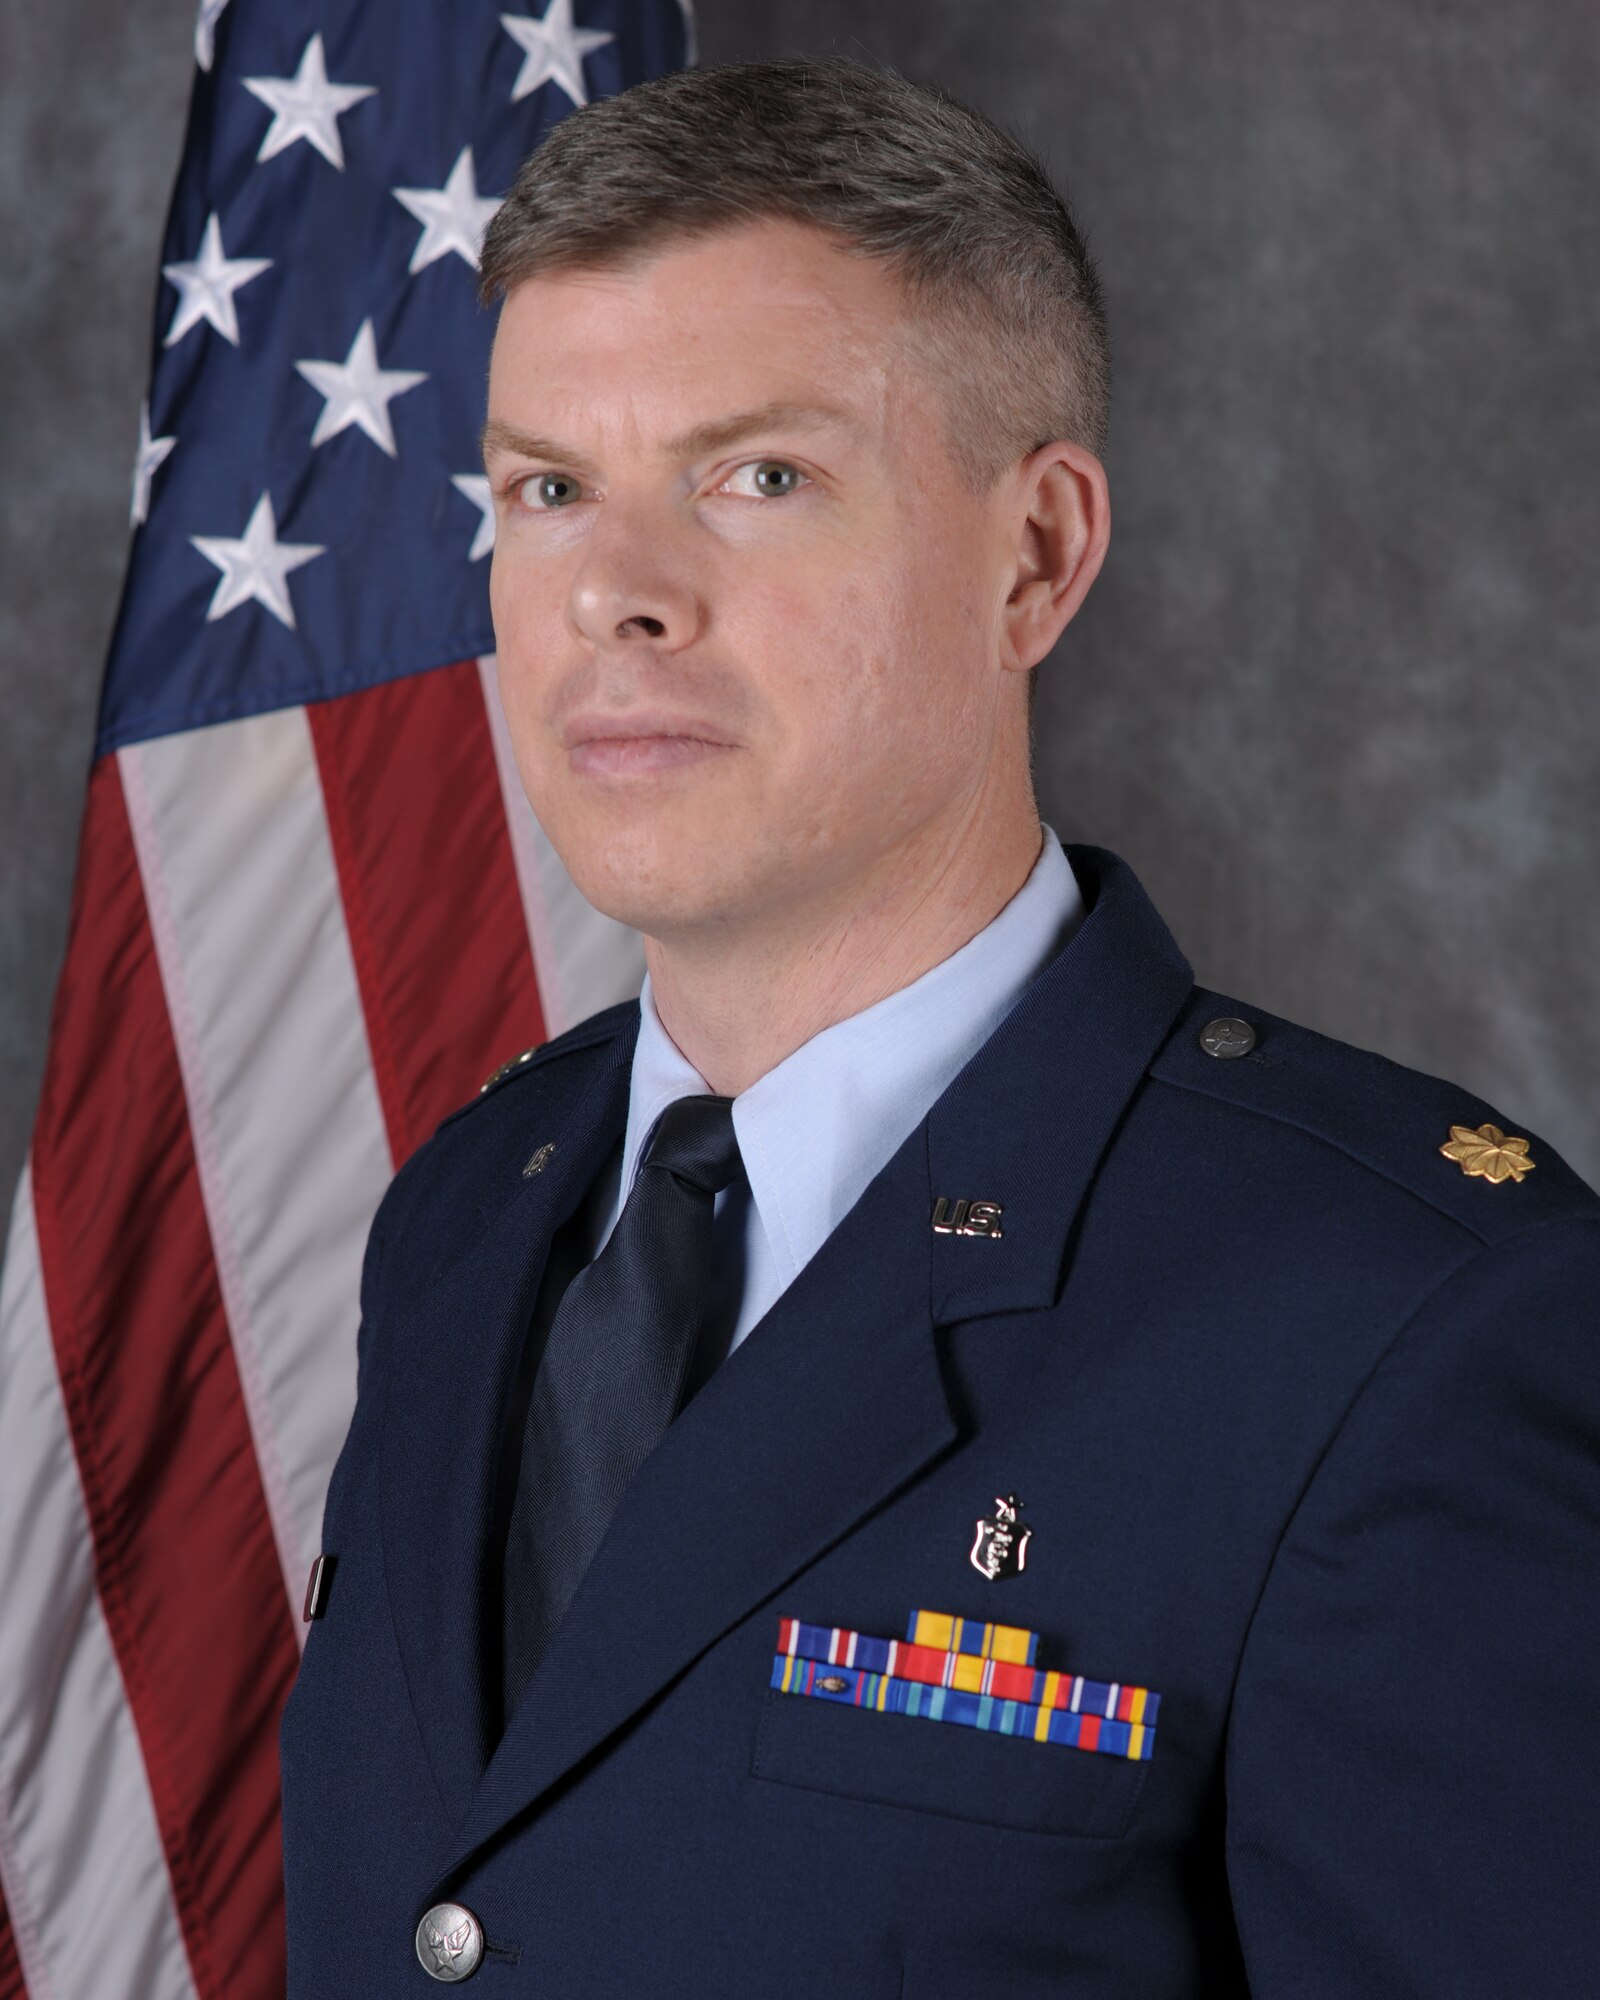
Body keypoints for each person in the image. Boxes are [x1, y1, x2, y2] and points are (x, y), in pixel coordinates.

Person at [279, 56, 1600, 1998]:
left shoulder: (1400, 1318)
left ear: (1035, 555)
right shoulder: (473, 1209)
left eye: (758, 477)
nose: (615, 597)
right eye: (548, 488)